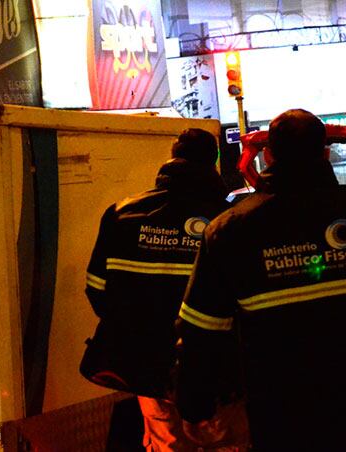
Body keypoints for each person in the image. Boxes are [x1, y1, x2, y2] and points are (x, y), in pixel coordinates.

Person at [175, 109, 346, 451]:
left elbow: (201, 331)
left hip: (275, 416)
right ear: (326, 154)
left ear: (268, 156)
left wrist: (195, 405)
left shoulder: (230, 231)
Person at [83, 129, 242, 451]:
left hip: (146, 366)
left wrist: (138, 329)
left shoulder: (123, 213)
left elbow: (97, 289)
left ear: (171, 157)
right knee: (222, 442)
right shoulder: (228, 221)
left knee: (166, 444)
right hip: (214, 367)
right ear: (213, 161)